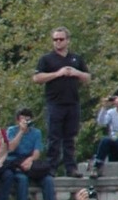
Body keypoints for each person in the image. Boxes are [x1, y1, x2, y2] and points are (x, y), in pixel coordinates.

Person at [32, 27, 91, 175]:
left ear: (67, 40)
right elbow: (37, 78)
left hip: (72, 102)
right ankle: (51, 167)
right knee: (54, 137)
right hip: (55, 103)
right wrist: (58, 74)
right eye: (55, 39)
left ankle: (70, 167)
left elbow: (88, 78)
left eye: (61, 39)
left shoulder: (76, 58)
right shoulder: (46, 59)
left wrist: (75, 73)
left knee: (70, 137)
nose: (58, 42)